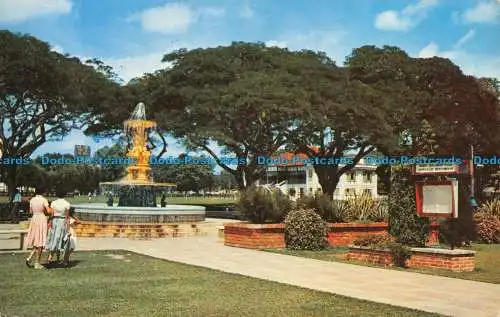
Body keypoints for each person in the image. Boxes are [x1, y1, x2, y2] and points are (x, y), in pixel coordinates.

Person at [25, 189, 51, 269]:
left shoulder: (32, 200)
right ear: (42, 192)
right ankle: (37, 262)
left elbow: (30, 211)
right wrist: (52, 209)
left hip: (34, 218)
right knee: (41, 241)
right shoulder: (44, 200)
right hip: (41, 219)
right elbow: (49, 211)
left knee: (37, 239)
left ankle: (30, 257)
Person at [45, 191, 71, 264]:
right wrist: (68, 228)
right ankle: (60, 259)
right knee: (61, 239)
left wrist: (49, 222)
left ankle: (51, 258)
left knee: (54, 239)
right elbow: (67, 217)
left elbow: (52, 215)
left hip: (55, 221)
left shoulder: (53, 203)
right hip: (62, 222)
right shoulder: (67, 203)